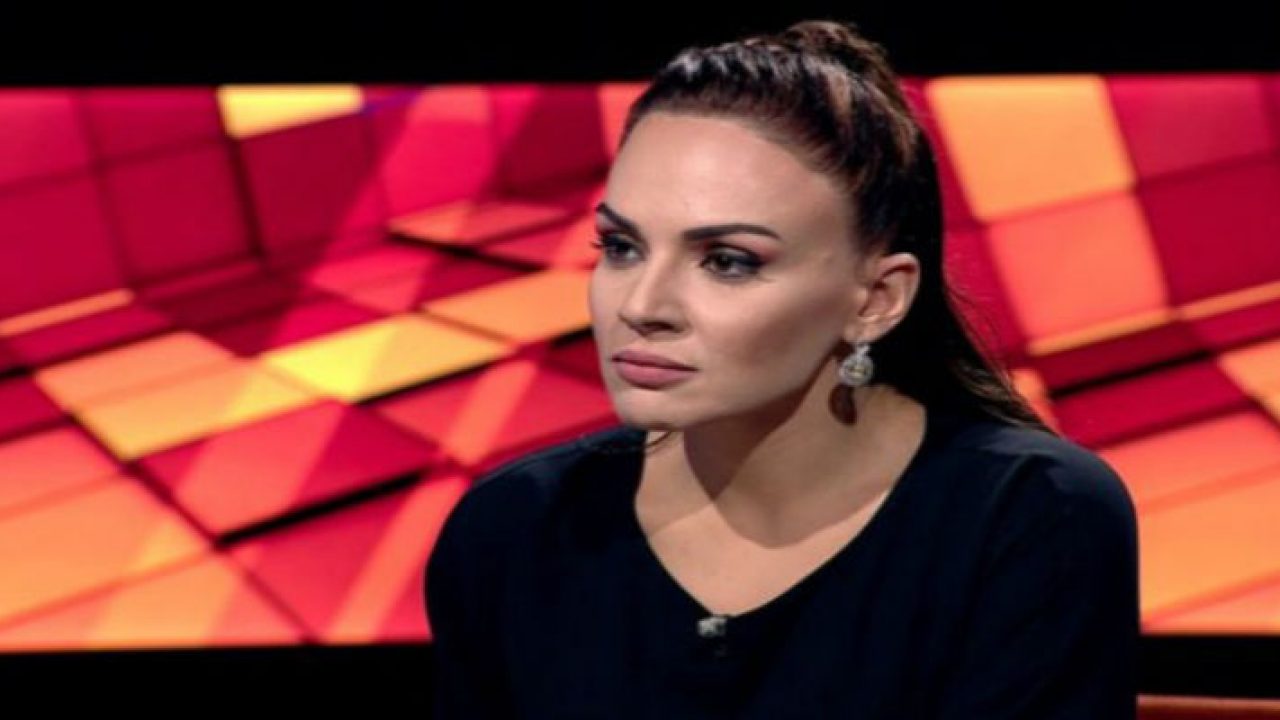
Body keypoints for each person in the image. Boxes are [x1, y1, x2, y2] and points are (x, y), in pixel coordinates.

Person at [424, 17, 1140, 719]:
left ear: (877, 300)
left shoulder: (1030, 517)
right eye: (621, 248)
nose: (641, 305)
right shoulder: (514, 530)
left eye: (727, 261)